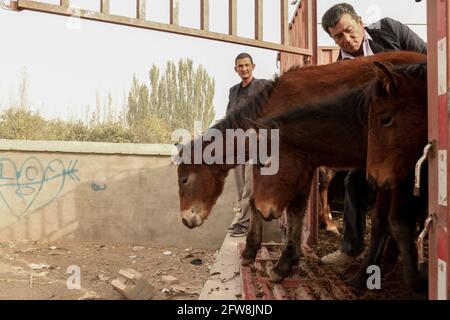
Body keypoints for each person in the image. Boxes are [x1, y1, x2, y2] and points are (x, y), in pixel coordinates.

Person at [320, 3, 427, 264]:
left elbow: (427, 58)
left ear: (360, 21)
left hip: (418, 122)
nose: (346, 39)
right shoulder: (340, 71)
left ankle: (418, 243)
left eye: (349, 30)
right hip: (384, 133)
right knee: (353, 182)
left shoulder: (389, 28)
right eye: (338, 37)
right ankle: (351, 248)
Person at [226, 52, 271, 237]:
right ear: (235, 69)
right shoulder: (233, 90)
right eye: (240, 66)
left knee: (250, 185)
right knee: (240, 185)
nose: (244, 69)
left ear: (253, 66)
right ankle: (242, 219)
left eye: (246, 65)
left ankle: (243, 224)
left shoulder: (263, 86)